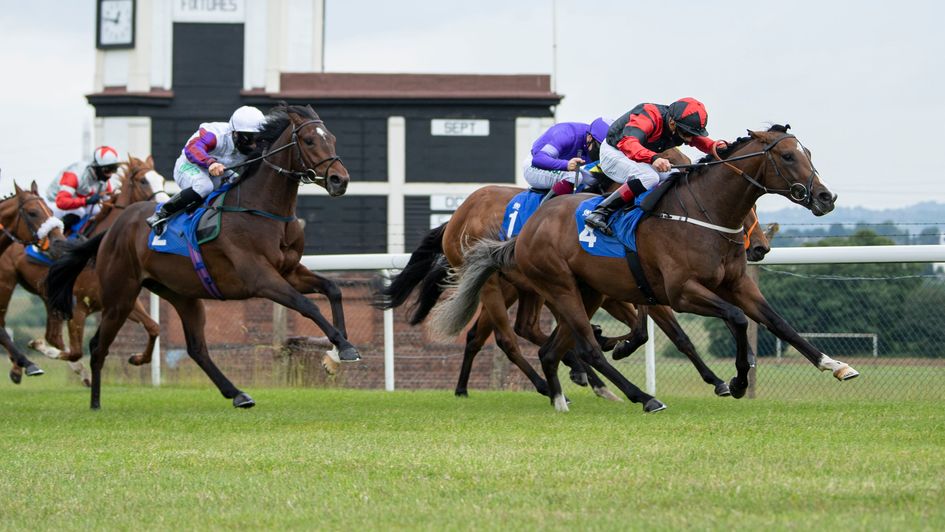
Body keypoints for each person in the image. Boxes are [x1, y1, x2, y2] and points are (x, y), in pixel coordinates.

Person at [583, 98, 728, 235]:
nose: (690, 139)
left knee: (675, 175)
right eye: (687, 134)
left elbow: (700, 141)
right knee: (649, 177)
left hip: (636, 154)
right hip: (615, 152)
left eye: (693, 134)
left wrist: (716, 147)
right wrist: (653, 158)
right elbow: (628, 143)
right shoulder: (649, 116)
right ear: (672, 122)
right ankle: (600, 212)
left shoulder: (679, 124)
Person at [146, 105, 266, 234]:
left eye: (257, 137)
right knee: (204, 186)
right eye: (249, 137)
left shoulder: (253, 143)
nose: (254, 144)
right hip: (189, 166)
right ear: (235, 133)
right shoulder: (214, 134)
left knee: (242, 185)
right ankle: (162, 213)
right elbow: (192, 148)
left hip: (219, 171)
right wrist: (210, 163)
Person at [523, 117, 610, 202]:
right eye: (600, 148)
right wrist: (566, 165)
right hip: (534, 167)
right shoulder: (566, 135)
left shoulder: (593, 139)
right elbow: (538, 159)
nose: (601, 153)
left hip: (561, 169)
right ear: (590, 138)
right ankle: (544, 210)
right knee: (574, 177)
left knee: (596, 181)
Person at [45, 146, 120, 234]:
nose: (110, 175)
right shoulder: (75, 175)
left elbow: (108, 201)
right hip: (53, 202)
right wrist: (86, 201)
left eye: (114, 169)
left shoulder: (103, 179)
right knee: (79, 211)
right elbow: (61, 202)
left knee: (99, 210)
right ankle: (56, 239)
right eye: (107, 169)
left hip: (76, 203)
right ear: (96, 167)